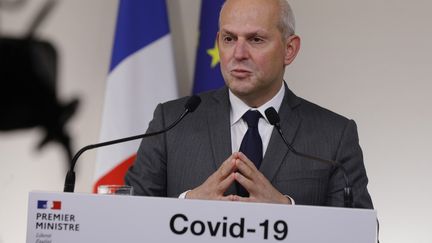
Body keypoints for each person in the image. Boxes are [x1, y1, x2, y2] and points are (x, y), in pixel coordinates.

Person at [125, 0, 373, 208]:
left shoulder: (335, 135)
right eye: (229, 38)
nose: (239, 53)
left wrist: (287, 212)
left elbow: (360, 234)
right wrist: (187, 204)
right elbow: (125, 219)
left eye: (255, 40)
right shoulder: (171, 122)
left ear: (289, 49)